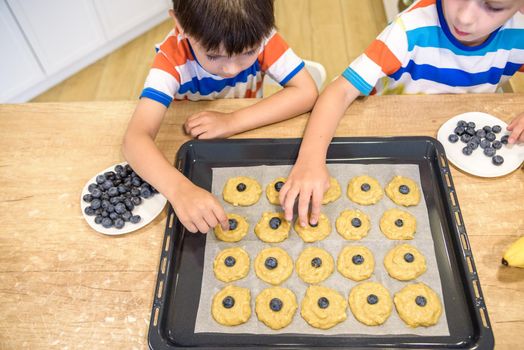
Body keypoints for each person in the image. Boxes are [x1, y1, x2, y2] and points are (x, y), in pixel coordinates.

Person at [280, 0, 524, 227]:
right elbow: (340, 92)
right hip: (393, 140)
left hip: (463, 160)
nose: (465, 17)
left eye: (493, 6)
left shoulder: (519, 34)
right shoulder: (410, 30)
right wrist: (310, 160)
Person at [123, 0, 318, 233]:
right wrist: (178, 189)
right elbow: (134, 139)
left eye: (248, 52)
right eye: (214, 56)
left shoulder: (261, 34)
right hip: (195, 146)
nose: (232, 69)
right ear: (180, 24)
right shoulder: (171, 59)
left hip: (246, 135)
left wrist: (232, 121)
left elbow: (307, 92)